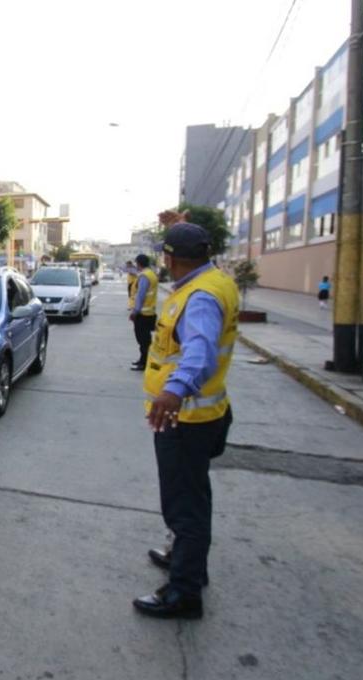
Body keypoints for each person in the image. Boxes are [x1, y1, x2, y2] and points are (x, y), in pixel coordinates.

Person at [134, 221, 240, 620]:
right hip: (204, 415)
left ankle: (184, 592)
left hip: (187, 420)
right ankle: (186, 559)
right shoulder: (215, 281)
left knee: (185, 506)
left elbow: (199, 352)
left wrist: (174, 390)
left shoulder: (200, 297)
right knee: (194, 497)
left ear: (171, 258)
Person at [129, 253, 158, 371]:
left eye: (136, 263)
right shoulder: (151, 274)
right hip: (149, 313)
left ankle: (144, 363)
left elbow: (140, 295)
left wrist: (135, 311)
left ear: (139, 263)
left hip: (143, 314)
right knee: (145, 340)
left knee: (143, 340)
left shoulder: (144, 276)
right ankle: (142, 360)